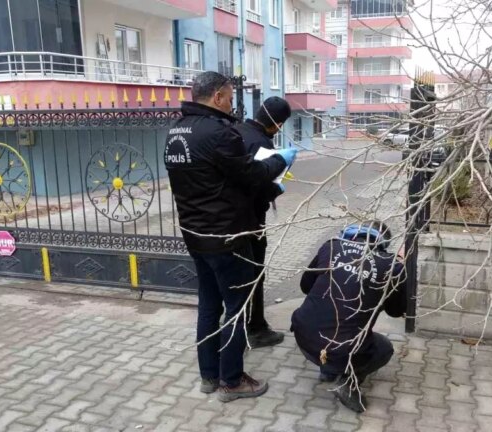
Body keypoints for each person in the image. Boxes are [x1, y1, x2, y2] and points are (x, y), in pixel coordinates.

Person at [164, 71, 298, 402]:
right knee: (236, 309)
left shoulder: (176, 132)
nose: (232, 103)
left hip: (195, 235)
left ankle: (209, 375)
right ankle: (232, 380)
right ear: (218, 97)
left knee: (209, 305)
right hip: (227, 237)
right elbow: (252, 174)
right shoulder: (219, 133)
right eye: (229, 96)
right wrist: (280, 161)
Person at [290, 220, 406, 413]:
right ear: (384, 243)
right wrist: (400, 268)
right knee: (384, 349)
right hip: (342, 347)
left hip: (303, 335)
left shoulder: (331, 246)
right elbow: (396, 311)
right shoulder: (391, 265)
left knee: (330, 323)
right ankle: (347, 382)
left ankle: (329, 370)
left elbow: (305, 286)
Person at [234, 97, 293, 349]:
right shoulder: (260, 142)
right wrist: (276, 189)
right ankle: (255, 328)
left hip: (230, 220)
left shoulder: (236, 131)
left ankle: (242, 324)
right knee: (255, 274)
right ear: (277, 124)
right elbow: (256, 185)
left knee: (240, 276)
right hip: (251, 219)